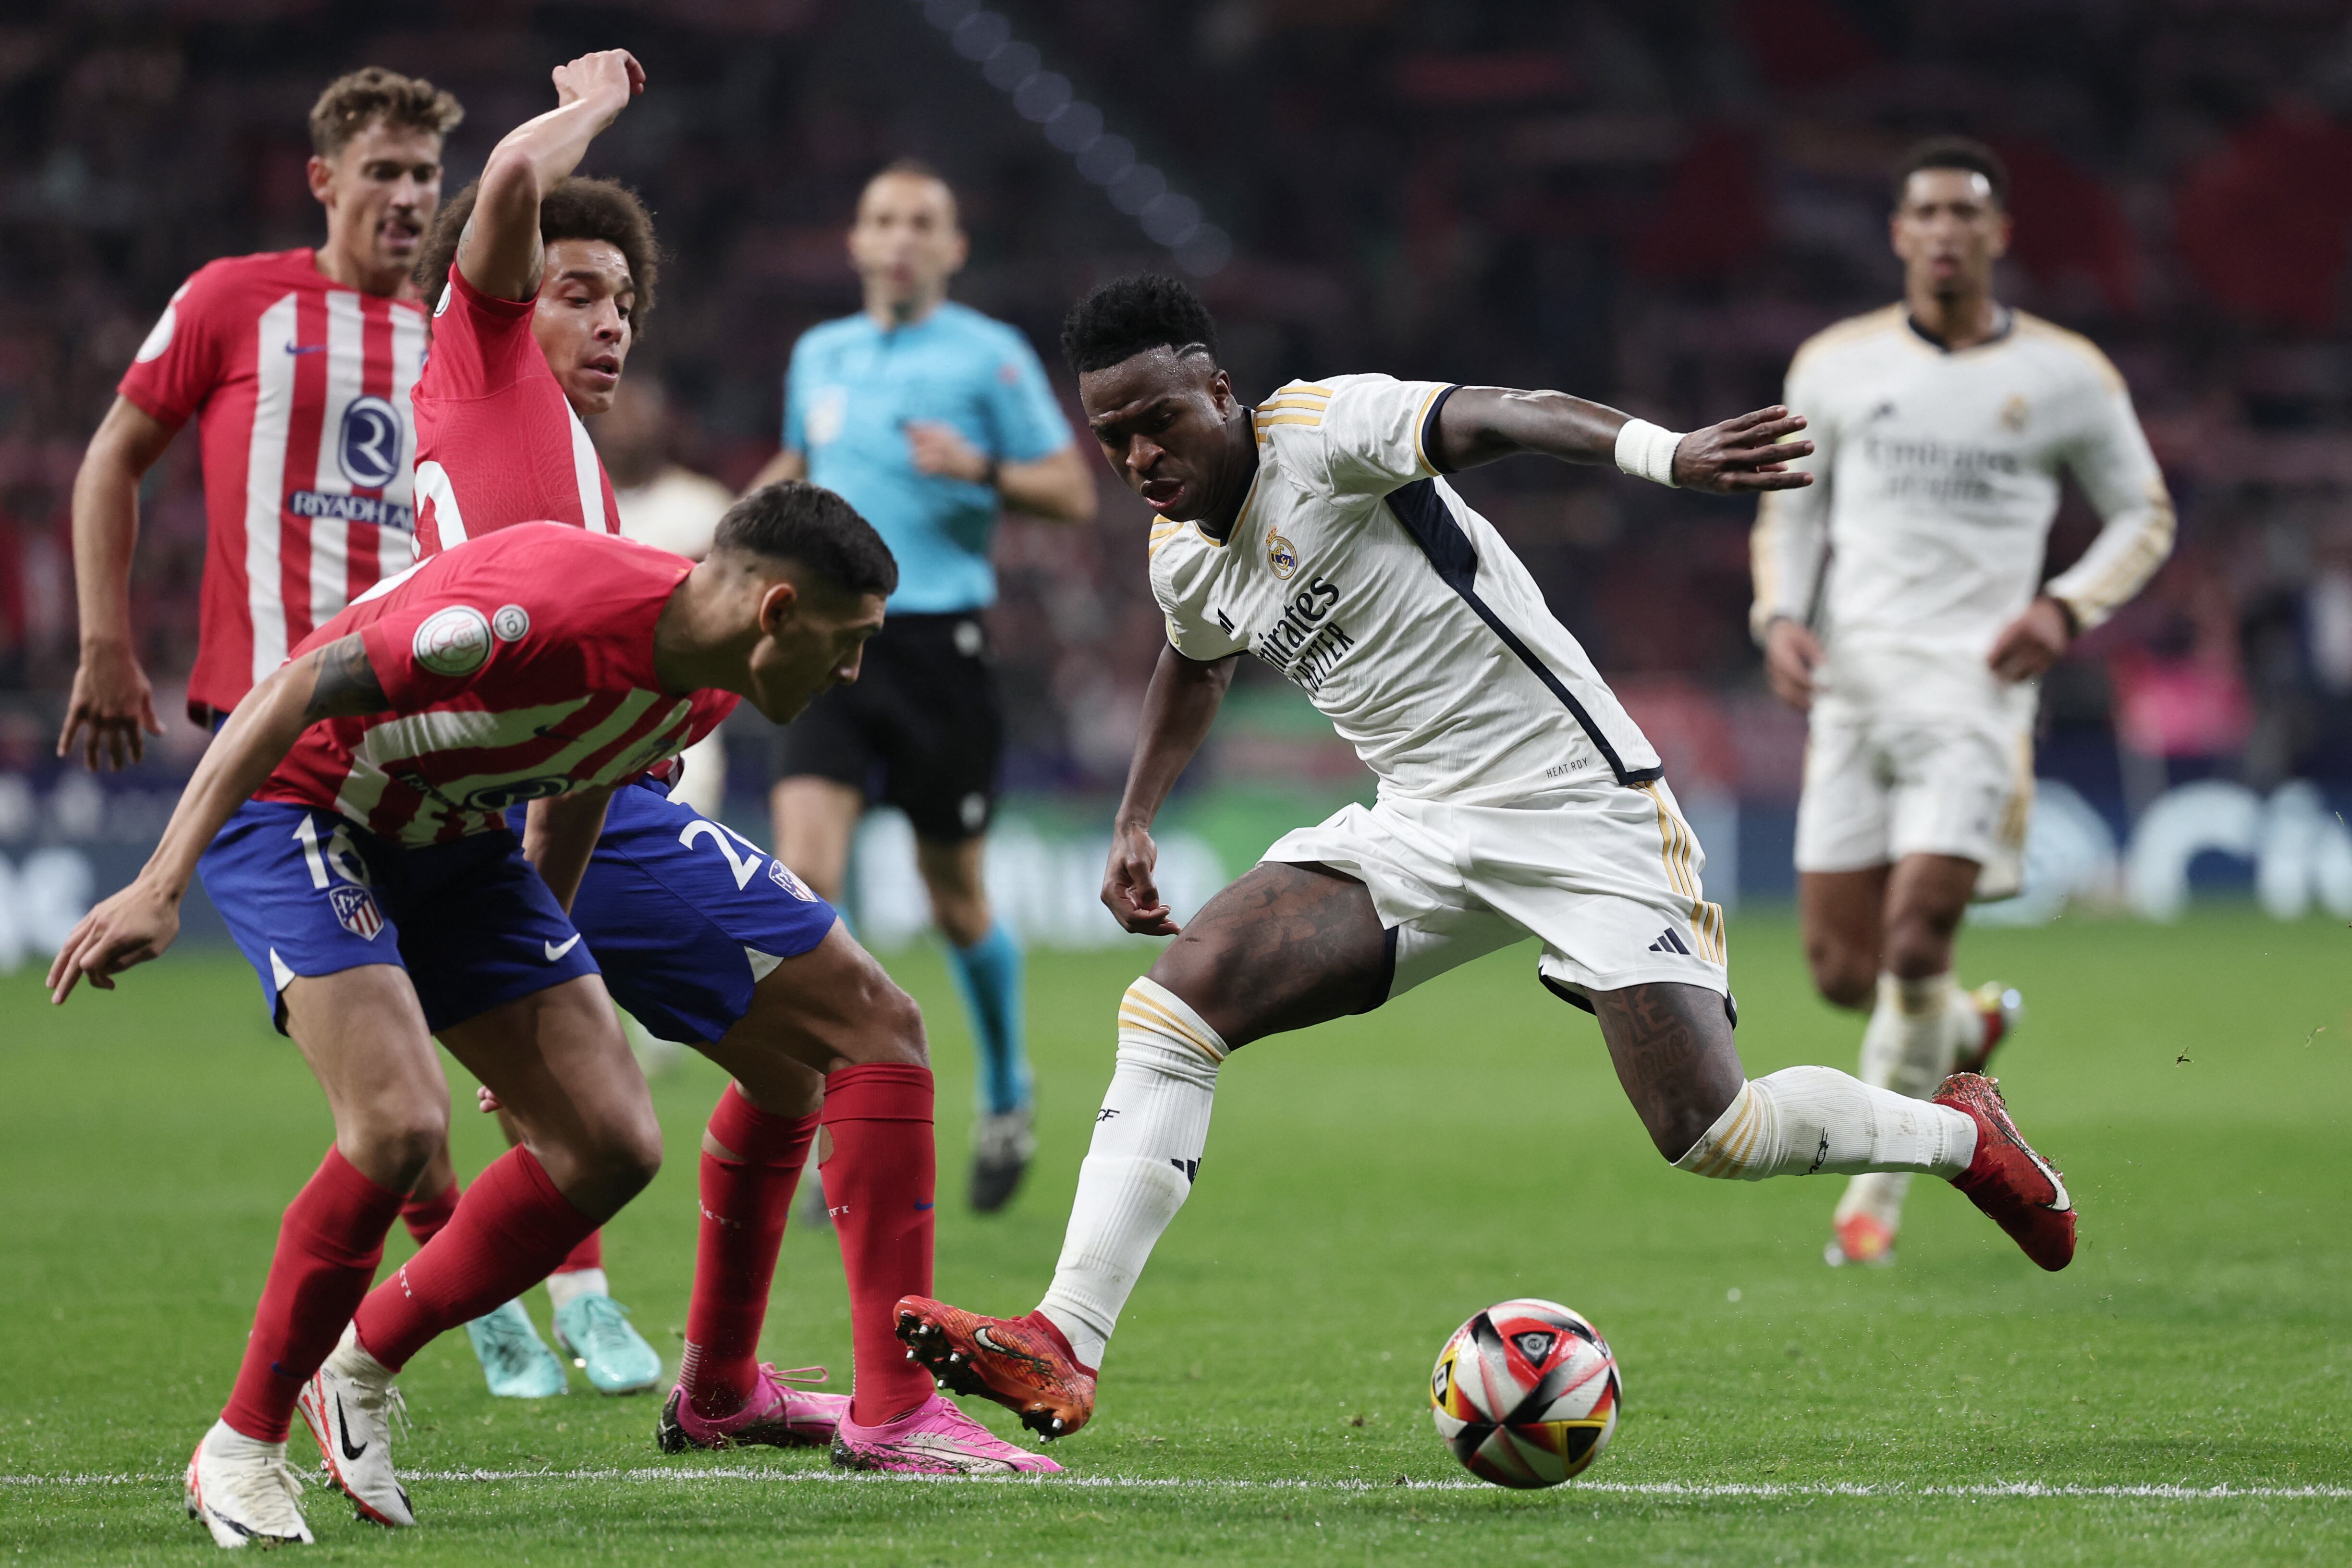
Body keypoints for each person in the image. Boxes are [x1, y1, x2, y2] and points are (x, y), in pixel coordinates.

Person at [893, 274, 2081, 1442]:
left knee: (1708, 1131)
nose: (1141, 454)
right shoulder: (1182, 555)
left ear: (1219, 389)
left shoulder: (1323, 429)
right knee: (1174, 1008)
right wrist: (1135, 815)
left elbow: (1502, 413)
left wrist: (1665, 457)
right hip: (1419, 824)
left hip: (1577, 806)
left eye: (1159, 420)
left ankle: (1959, 1133)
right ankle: (1064, 1339)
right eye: (1115, 439)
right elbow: (1194, 658)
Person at [403, 52, 1050, 1479]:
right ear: (506, 292)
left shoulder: (563, 453)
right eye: (577, 289)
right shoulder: (481, 357)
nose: (609, 322)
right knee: (878, 1029)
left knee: (790, 1064)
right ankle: (892, 1404)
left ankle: (718, 1385)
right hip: (573, 804)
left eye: (625, 301)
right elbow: (508, 184)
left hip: (566, 801)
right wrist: (593, 103)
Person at [1749, 138, 2174, 1268]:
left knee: (1910, 936)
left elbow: (2144, 513)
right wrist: (1778, 615)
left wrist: (2065, 610)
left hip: (1981, 695)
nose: (1944, 231)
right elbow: (1789, 511)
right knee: (1844, 973)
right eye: (1925, 213)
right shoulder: (1833, 365)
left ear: (1997, 234)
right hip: (1853, 686)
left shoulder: (2067, 375)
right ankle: (1965, 1029)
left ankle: (1873, 1207)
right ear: (1897, 234)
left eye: (1964, 214)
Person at [748, 159, 1097, 1213]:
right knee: (805, 884)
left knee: (957, 904)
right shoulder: (820, 355)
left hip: (940, 647)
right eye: (884, 220)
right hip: (825, 646)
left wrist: (979, 471)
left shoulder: (989, 359)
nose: (900, 238)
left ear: (953, 249)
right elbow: (802, 461)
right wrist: (723, 533)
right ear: (857, 242)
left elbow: (1074, 492)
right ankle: (824, 1122)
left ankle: (1004, 1087)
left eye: (923, 223)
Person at [58, 66, 458, 765]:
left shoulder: (457, 335)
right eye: (382, 171)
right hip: (265, 718)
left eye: (423, 175)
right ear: (322, 180)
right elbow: (111, 459)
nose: (407, 197)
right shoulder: (234, 298)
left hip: (421, 725)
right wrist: (105, 645)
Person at [596, 377, 738, 822]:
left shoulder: (704, 506)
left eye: (638, 416)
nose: (624, 429)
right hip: (588, 722)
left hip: (681, 733)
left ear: (663, 425)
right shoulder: (573, 499)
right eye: (615, 416)